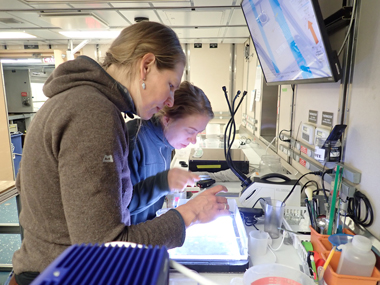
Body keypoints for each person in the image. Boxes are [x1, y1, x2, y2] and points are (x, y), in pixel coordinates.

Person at [9, 21, 229, 285]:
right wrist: (189, 214)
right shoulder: (92, 113)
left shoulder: (85, 103)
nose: (170, 101)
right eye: (171, 85)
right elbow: (104, 250)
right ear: (146, 66)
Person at [127, 81, 214, 224]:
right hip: (130, 239)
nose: (193, 141)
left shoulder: (167, 143)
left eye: (198, 133)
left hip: (151, 228)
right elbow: (119, 208)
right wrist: (163, 183)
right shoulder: (133, 141)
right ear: (167, 119)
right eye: (190, 132)